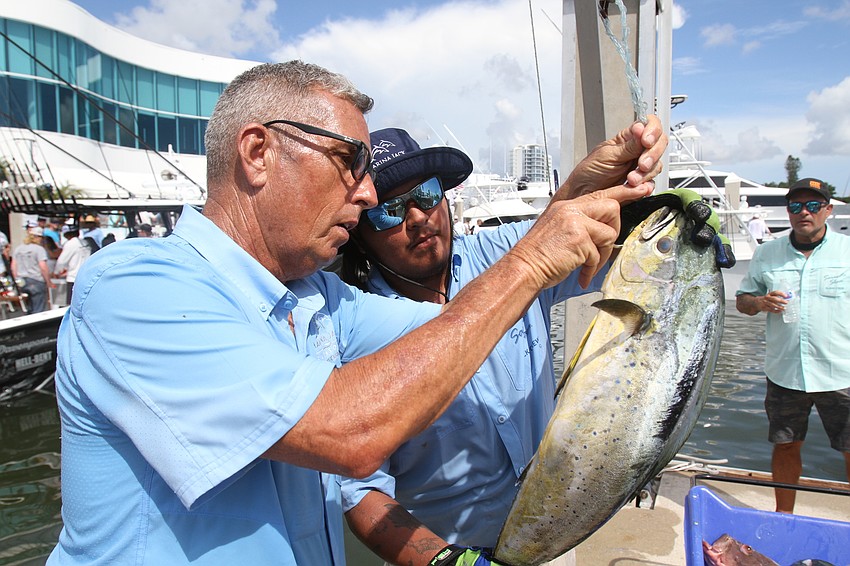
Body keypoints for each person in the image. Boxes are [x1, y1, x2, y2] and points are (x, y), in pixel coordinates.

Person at [48, 61, 660, 565]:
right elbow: (350, 432)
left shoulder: (317, 301)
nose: (367, 195)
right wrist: (529, 262)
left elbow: (461, 334)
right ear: (258, 152)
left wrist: (582, 196)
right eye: (352, 163)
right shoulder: (135, 288)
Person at [338, 127, 732, 565]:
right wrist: (447, 560)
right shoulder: (352, 327)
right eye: (389, 210)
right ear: (361, 232)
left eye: (427, 194)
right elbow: (357, 490)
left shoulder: (504, 251)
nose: (417, 217)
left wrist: (668, 223)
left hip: (554, 527)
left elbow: (597, 241)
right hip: (442, 549)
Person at [736, 177, 850, 514]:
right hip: (785, 372)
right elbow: (742, 300)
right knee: (786, 446)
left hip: (841, 372)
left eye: (813, 205)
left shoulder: (847, 251)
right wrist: (760, 302)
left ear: (827, 210)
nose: (805, 212)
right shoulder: (767, 253)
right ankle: (784, 517)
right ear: (788, 212)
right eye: (796, 206)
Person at [11, 227, 56, 312]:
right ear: (38, 238)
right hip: (36, 280)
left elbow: (13, 267)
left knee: (27, 308)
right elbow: (43, 267)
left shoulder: (18, 248)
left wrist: (15, 280)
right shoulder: (39, 249)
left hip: (21, 281)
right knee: (38, 310)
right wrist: (48, 282)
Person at [52, 224, 91, 304]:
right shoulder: (85, 243)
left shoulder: (70, 244)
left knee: (71, 304)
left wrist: (56, 272)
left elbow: (61, 262)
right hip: (85, 277)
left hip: (73, 278)